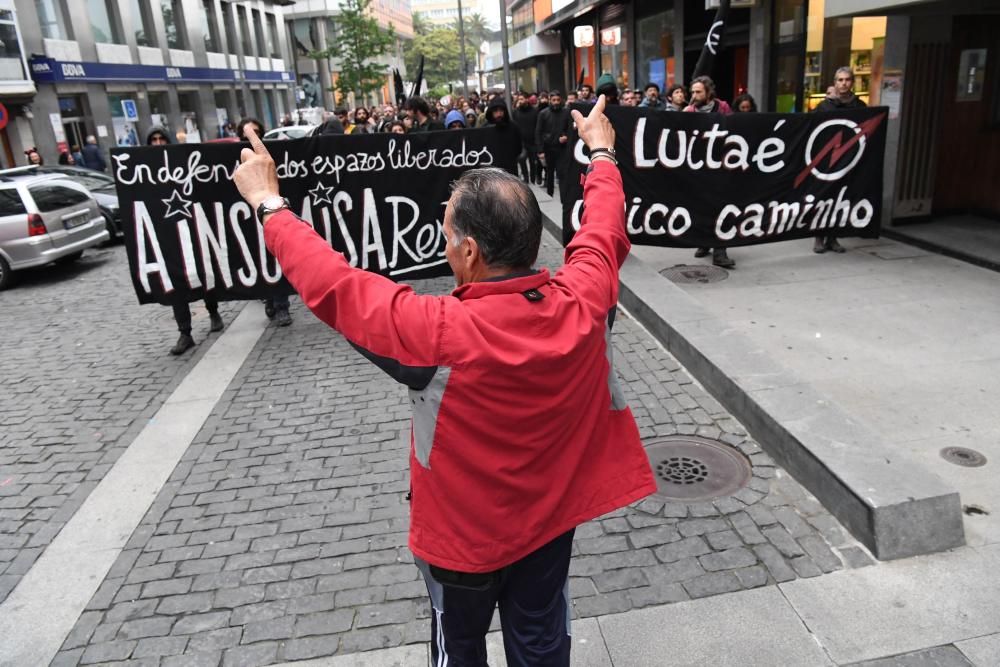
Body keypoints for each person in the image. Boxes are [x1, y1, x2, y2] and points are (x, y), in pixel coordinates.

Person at [232, 94, 654, 667]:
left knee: (457, 649)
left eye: (447, 231)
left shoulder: (436, 331)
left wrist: (268, 204)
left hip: (461, 545)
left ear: (471, 252)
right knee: (541, 639)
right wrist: (601, 152)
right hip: (553, 524)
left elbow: (334, 285)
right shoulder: (584, 296)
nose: (443, 239)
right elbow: (603, 228)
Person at [147, 126, 225, 353]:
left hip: (191, 229)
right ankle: (185, 332)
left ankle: (213, 311)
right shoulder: (142, 168)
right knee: (173, 282)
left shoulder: (179, 162)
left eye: (162, 138)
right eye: (154, 139)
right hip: (165, 234)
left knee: (202, 273)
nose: (158, 143)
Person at [237, 118, 292, 327]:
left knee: (278, 260)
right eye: (247, 135)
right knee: (259, 261)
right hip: (246, 219)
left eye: (257, 132)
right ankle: (268, 297)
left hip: (271, 214)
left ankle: (281, 304)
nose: (251, 138)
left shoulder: (270, 155)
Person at [811, 67, 866, 254]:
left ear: (852, 82)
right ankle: (819, 237)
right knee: (823, 197)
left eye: (847, 80)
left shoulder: (859, 106)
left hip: (849, 160)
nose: (844, 83)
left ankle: (833, 238)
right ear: (835, 82)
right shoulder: (825, 106)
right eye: (840, 80)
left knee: (841, 198)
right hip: (827, 161)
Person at [686, 76, 735, 268]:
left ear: (708, 93)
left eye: (698, 92)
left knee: (720, 208)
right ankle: (704, 242)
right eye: (693, 92)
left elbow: (734, 131)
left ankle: (720, 251)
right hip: (698, 167)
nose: (694, 95)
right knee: (701, 207)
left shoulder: (722, 108)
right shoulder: (689, 111)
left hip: (720, 165)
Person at [535, 90, 571, 197]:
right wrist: (540, 150)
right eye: (553, 100)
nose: (556, 102)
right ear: (550, 100)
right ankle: (549, 194)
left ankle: (564, 195)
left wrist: (566, 137)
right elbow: (538, 132)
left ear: (561, 100)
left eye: (558, 100)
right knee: (549, 173)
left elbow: (570, 129)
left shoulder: (566, 112)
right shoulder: (543, 113)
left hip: (562, 148)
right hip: (548, 148)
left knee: (562, 173)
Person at [512, 93, 540, 185]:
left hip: (532, 141)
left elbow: (537, 126)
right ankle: (526, 177)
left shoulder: (535, 111)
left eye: (522, 99)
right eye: (519, 99)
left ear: (527, 99)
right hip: (521, 142)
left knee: (533, 162)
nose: (520, 101)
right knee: (521, 159)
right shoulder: (516, 112)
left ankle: (532, 178)